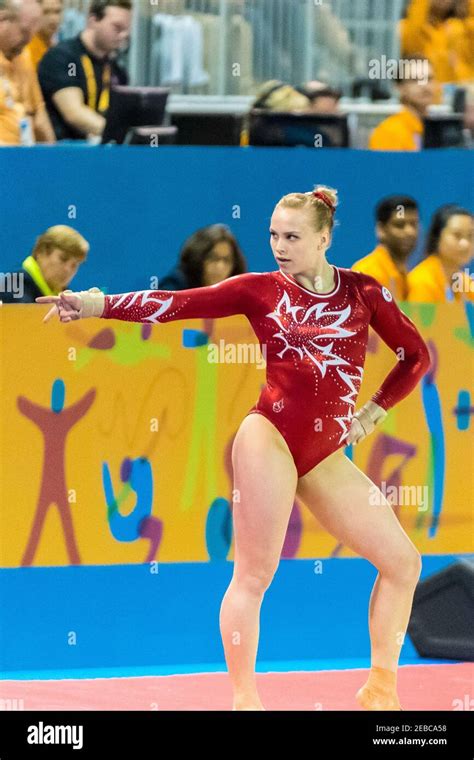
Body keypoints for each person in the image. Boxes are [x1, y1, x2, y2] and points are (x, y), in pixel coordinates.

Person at [36, 186, 431, 712]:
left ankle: (381, 687)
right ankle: (245, 699)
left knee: (403, 562)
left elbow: (415, 356)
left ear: (325, 238)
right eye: (273, 234)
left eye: (292, 236)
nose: (279, 246)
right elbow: (177, 304)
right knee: (253, 573)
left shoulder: (363, 293)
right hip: (268, 436)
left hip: (325, 453)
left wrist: (371, 414)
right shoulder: (258, 290)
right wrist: (92, 303)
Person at [38, 0, 131, 141]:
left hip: (101, 151)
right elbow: (74, 114)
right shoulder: (62, 57)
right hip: (65, 153)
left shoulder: (117, 70)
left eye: (126, 29)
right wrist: (119, 133)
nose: (123, 35)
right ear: (93, 20)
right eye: (117, 27)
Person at [0, 0, 55, 145]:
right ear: (2, 19)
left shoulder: (23, 56)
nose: (28, 39)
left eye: (33, 33)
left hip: (24, 155)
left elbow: (39, 115)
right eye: (24, 31)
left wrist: (55, 156)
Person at [352, 196, 420, 300]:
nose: (409, 232)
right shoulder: (368, 274)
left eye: (413, 224)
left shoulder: (403, 274)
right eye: (400, 225)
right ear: (381, 230)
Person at [1, 224, 89, 302]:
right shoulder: (11, 287)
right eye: (63, 259)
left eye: (74, 265)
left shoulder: (67, 299)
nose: (67, 269)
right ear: (41, 252)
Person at [408, 204, 474, 301]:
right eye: (457, 235)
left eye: (470, 236)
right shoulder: (421, 282)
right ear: (437, 237)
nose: (465, 244)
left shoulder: (465, 282)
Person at [369, 57, 435, 151]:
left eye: (429, 79)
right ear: (400, 87)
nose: (424, 86)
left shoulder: (440, 130)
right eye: (415, 80)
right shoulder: (390, 131)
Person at [159, 224, 247, 291]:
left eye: (227, 260)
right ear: (198, 258)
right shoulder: (176, 284)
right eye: (213, 258)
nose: (220, 266)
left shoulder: (237, 293)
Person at [26, 0, 63, 68]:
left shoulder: (57, 47)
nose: (53, 18)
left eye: (57, 12)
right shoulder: (26, 50)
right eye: (46, 12)